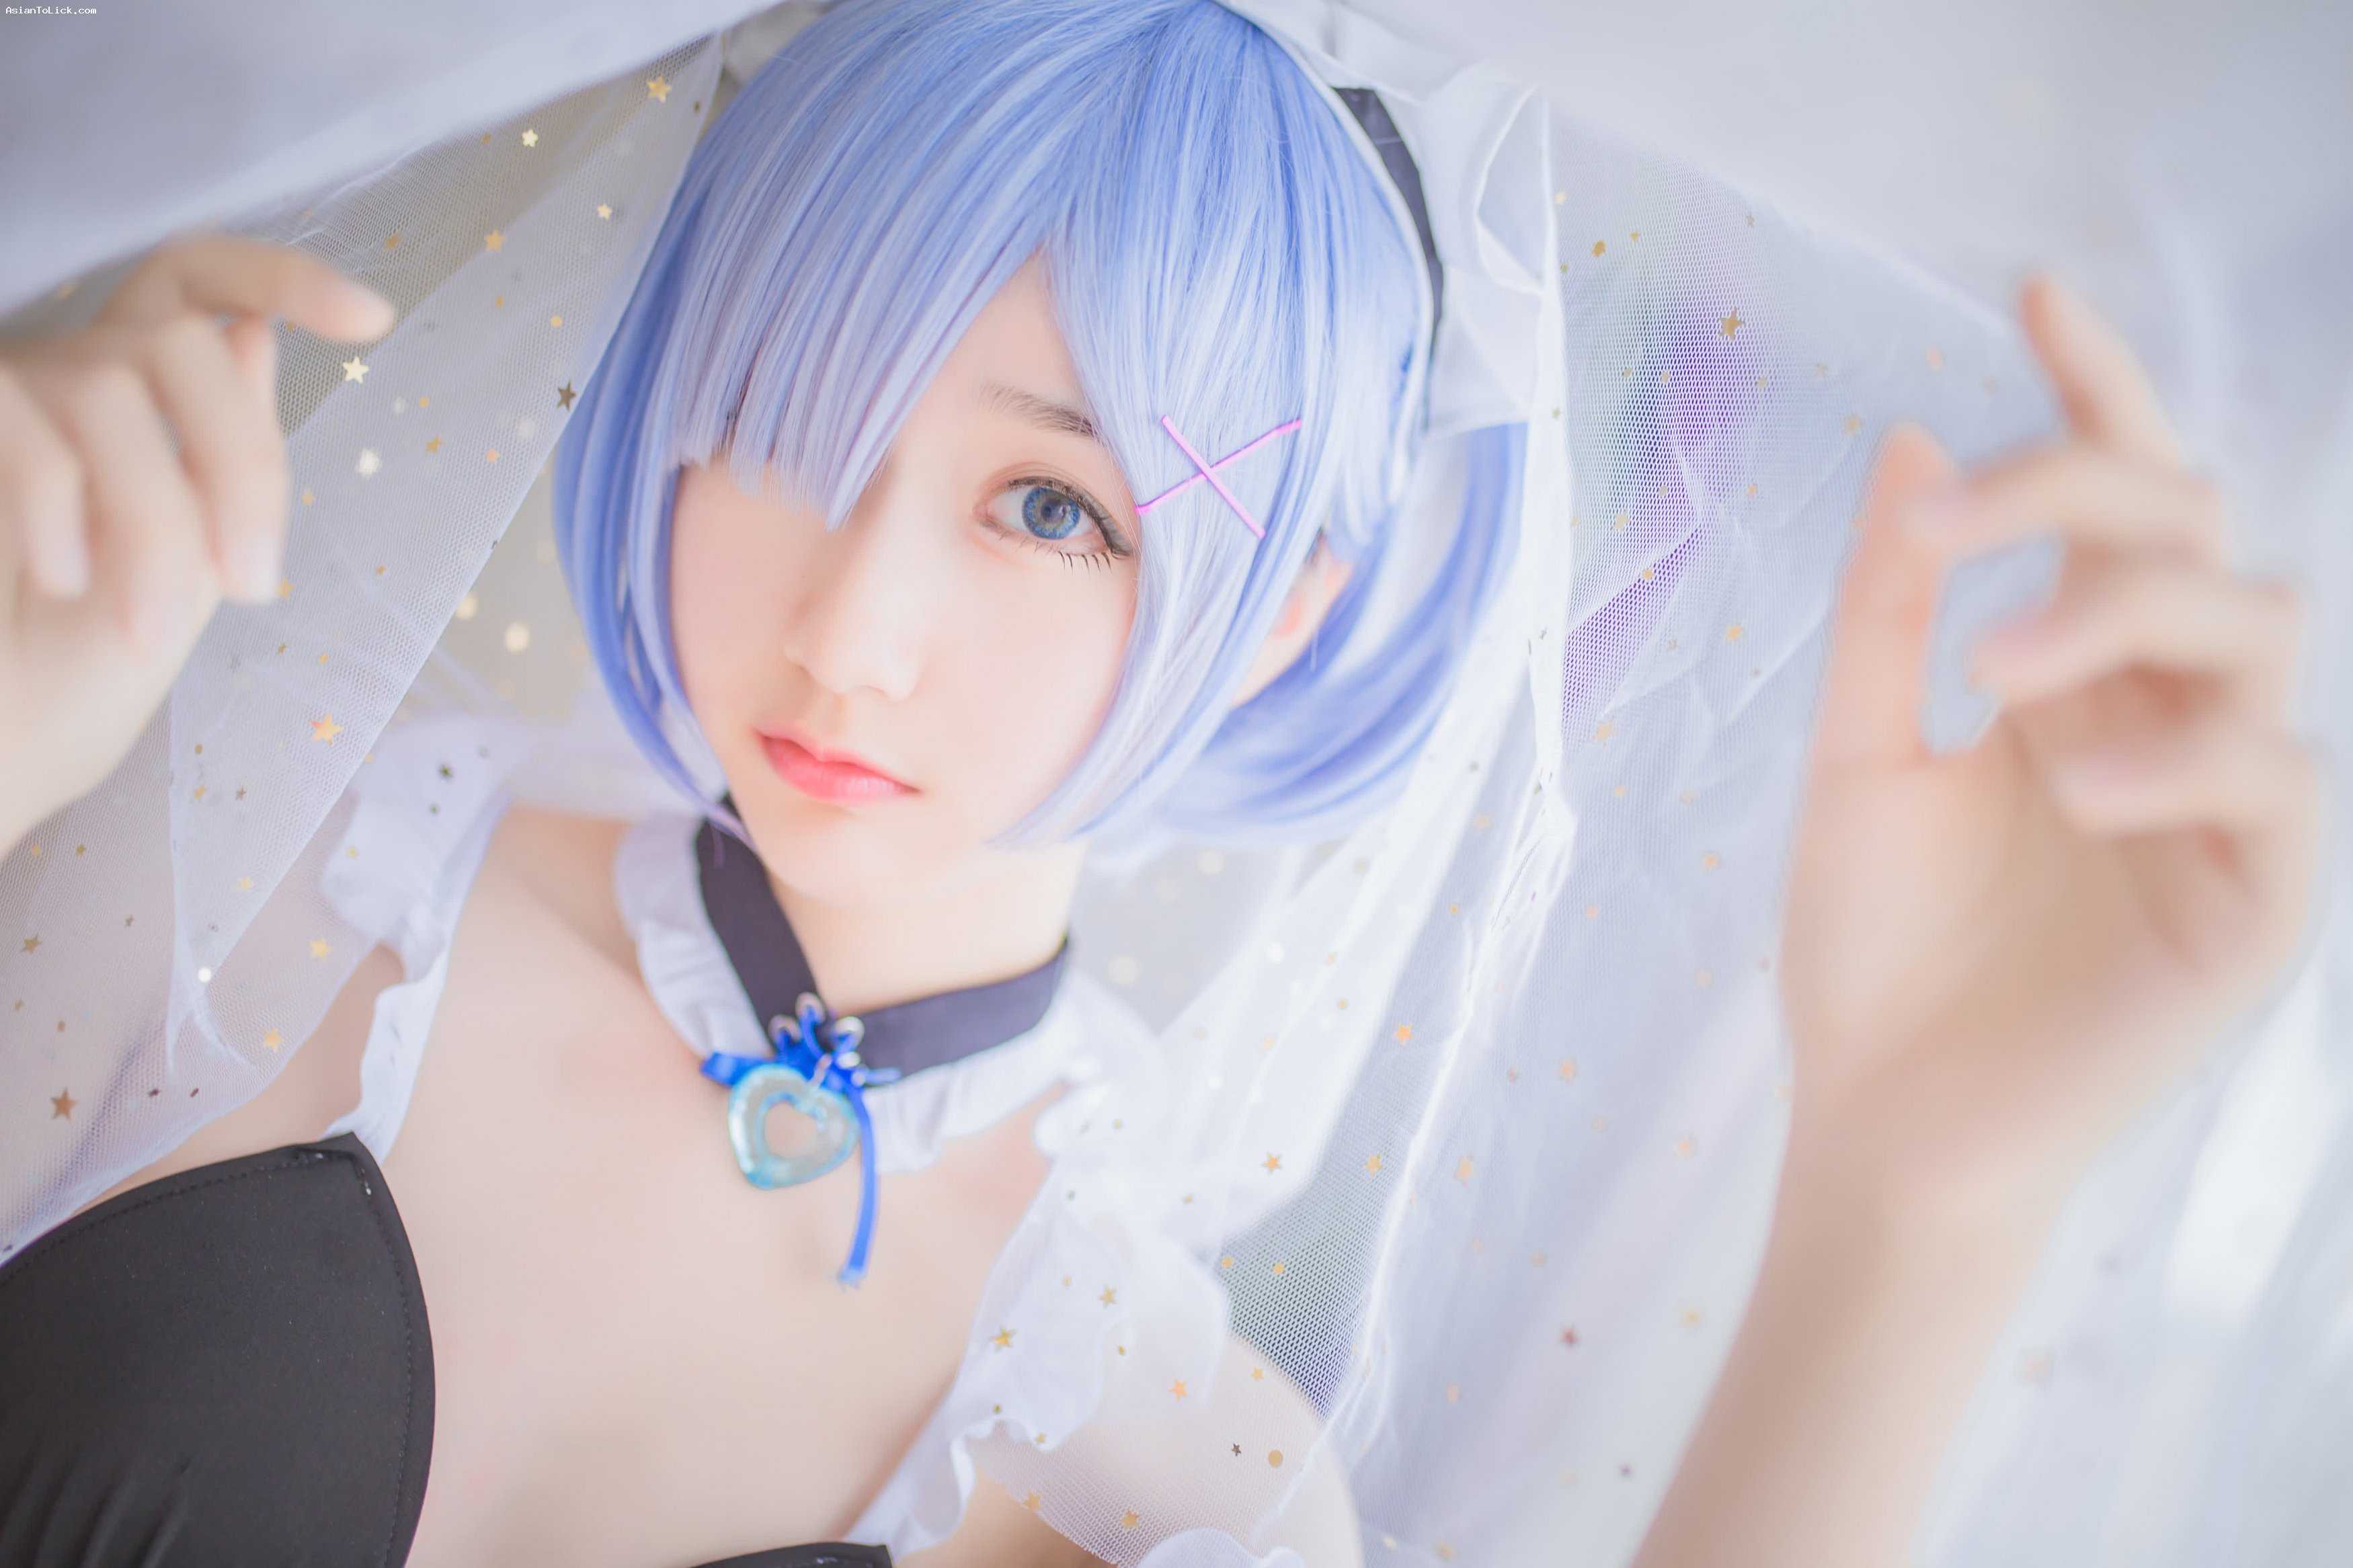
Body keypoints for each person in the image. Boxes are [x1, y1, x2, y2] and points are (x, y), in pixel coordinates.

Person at [0, 2, 2323, 1566]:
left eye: (1051, 507)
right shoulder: (249, 874)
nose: (851, 627)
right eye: (796, 411)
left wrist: (1913, 1205)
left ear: (1288, 611)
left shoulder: (1153, 1457)